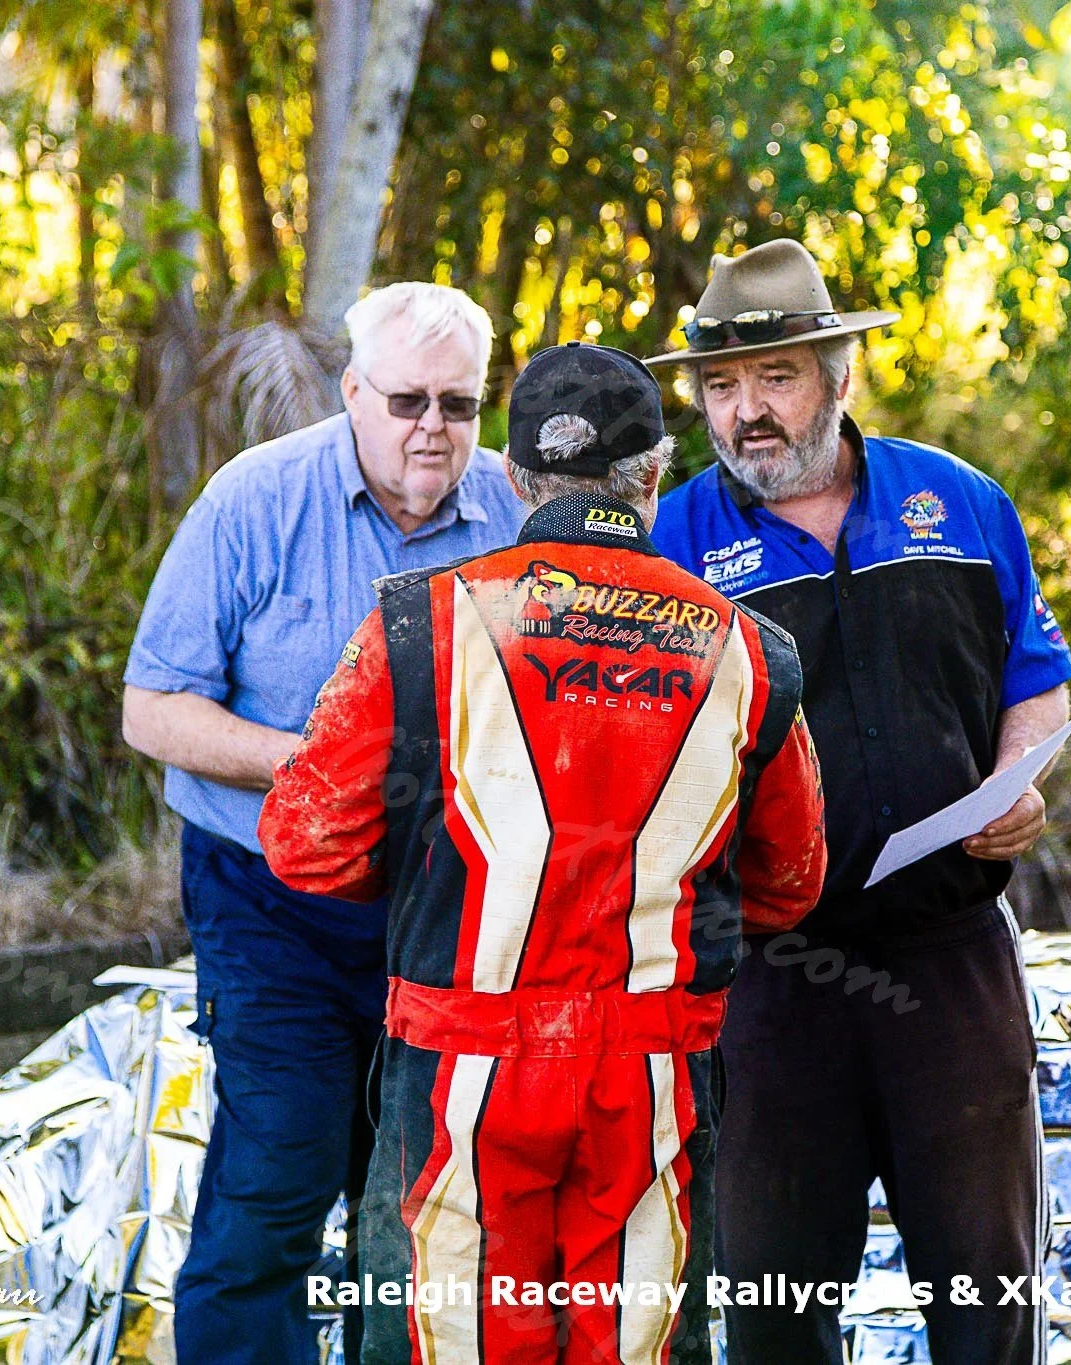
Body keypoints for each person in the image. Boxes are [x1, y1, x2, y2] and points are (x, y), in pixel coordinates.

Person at [260, 342, 828, 1365]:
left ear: (514, 478)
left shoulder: (417, 622)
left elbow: (305, 847)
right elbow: (789, 885)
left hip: (458, 1073)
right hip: (651, 1078)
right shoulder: (752, 651)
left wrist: (446, 864)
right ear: (654, 471)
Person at [647, 239, 1071, 1365]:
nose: (744, 413)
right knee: (778, 1315)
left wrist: (1017, 783)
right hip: (771, 982)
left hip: (952, 964)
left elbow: (1033, 677)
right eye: (719, 387)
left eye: (774, 379)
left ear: (839, 375)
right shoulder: (671, 544)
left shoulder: (962, 502)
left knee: (988, 1303)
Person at [122, 282, 528, 1365]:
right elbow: (153, 708)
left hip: (443, 913)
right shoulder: (253, 501)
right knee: (278, 1175)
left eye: (458, 404)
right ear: (351, 391)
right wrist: (314, 768)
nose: (432, 428)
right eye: (405, 402)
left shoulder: (514, 513)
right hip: (272, 899)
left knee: (421, 1205)